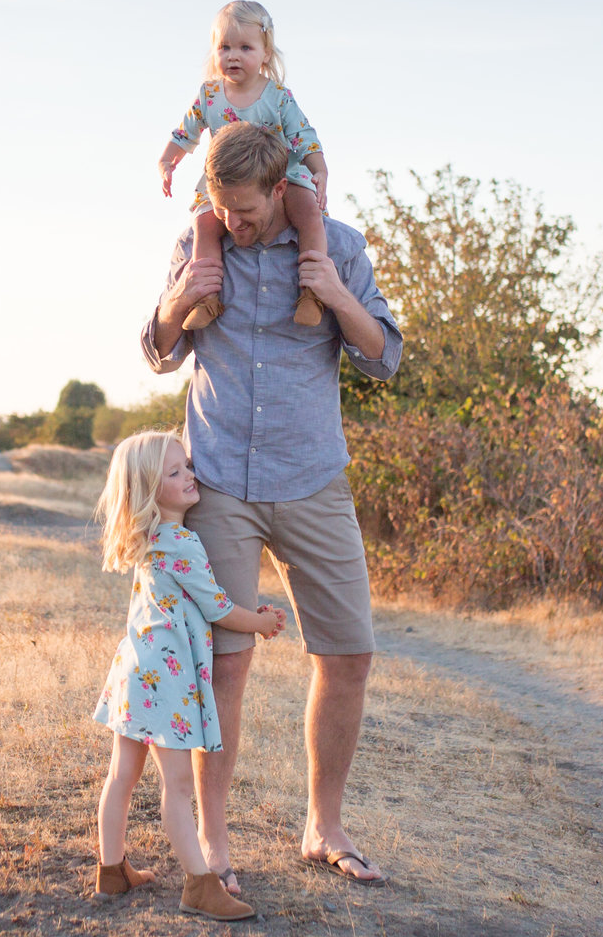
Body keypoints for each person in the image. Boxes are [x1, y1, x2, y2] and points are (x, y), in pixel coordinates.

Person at [142, 118, 406, 888]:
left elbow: (385, 355)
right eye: (221, 208)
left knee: (349, 653)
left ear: (282, 187)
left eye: (247, 210)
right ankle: (215, 844)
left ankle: (324, 823)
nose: (234, 223)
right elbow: (160, 351)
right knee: (224, 662)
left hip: (312, 477)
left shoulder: (340, 248)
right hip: (220, 478)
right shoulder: (201, 245)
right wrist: (178, 298)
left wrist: (332, 294)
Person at [88, 430, 288, 921]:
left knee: (122, 775)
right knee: (177, 786)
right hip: (167, 682)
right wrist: (261, 623)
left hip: (136, 672)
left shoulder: (149, 538)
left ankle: (111, 871)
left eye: (187, 467)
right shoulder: (180, 541)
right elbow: (217, 608)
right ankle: (199, 885)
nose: (189, 476)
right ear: (148, 489)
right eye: (174, 473)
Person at [158, 0, 331, 331]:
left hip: (278, 173)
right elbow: (185, 132)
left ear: (265, 53)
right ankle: (207, 298)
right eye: (224, 47)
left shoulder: (277, 96)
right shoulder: (209, 96)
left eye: (245, 47)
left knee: (308, 211)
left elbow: (302, 134)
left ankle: (312, 293)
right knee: (205, 225)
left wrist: (319, 169)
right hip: (226, 182)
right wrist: (167, 161)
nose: (233, 55)